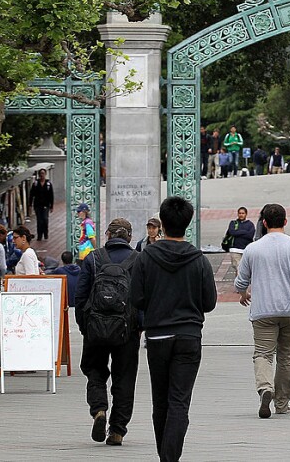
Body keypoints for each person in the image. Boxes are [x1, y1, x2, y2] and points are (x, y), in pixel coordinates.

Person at [130, 196, 217, 462]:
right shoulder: (198, 260)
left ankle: (165, 455)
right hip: (189, 335)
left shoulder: (146, 258)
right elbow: (209, 302)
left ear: (163, 224)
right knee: (179, 400)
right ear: (187, 224)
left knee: (161, 401)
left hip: (157, 335)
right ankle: (170, 458)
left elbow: (137, 298)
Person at [234, 203, 290, 419]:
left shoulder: (253, 249)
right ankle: (282, 403)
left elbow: (240, 282)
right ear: (285, 221)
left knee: (263, 354)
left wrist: (244, 294)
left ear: (263, 223)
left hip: (263, 311)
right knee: (286, 356)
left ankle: (265, 388)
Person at [76, 218, 140, 447]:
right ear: (130, 237)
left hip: (95, 328)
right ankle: (117, 431)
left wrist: (85, 327)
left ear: (107, 234)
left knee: (94, 370)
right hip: (127, 332)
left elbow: (80, 296)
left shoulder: (93, 258)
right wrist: (139, 327)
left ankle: (99, 409)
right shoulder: (139, 260)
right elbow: (144, 298)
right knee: (125, 378)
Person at [29, 168, 54, 241]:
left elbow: (51, 195)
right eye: (40, 173)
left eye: (43, 173)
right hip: (37, 205)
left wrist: (51, 206)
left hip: (46, 205)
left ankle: (45, 234)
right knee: (39, 220)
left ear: (45, 174)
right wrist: (30, 204)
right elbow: (31, 194)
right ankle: (39, 235)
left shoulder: (48, 184)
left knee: (45, 219)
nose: (42, 175)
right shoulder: (35, 184)